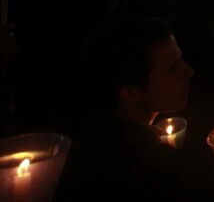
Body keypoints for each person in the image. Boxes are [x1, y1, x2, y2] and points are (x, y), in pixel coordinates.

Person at [56, 16, 201, 201]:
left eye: (180, 60)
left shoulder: (89, 141)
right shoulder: (153, 172)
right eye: (172, 68)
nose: (189, 71)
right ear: (131, 92)